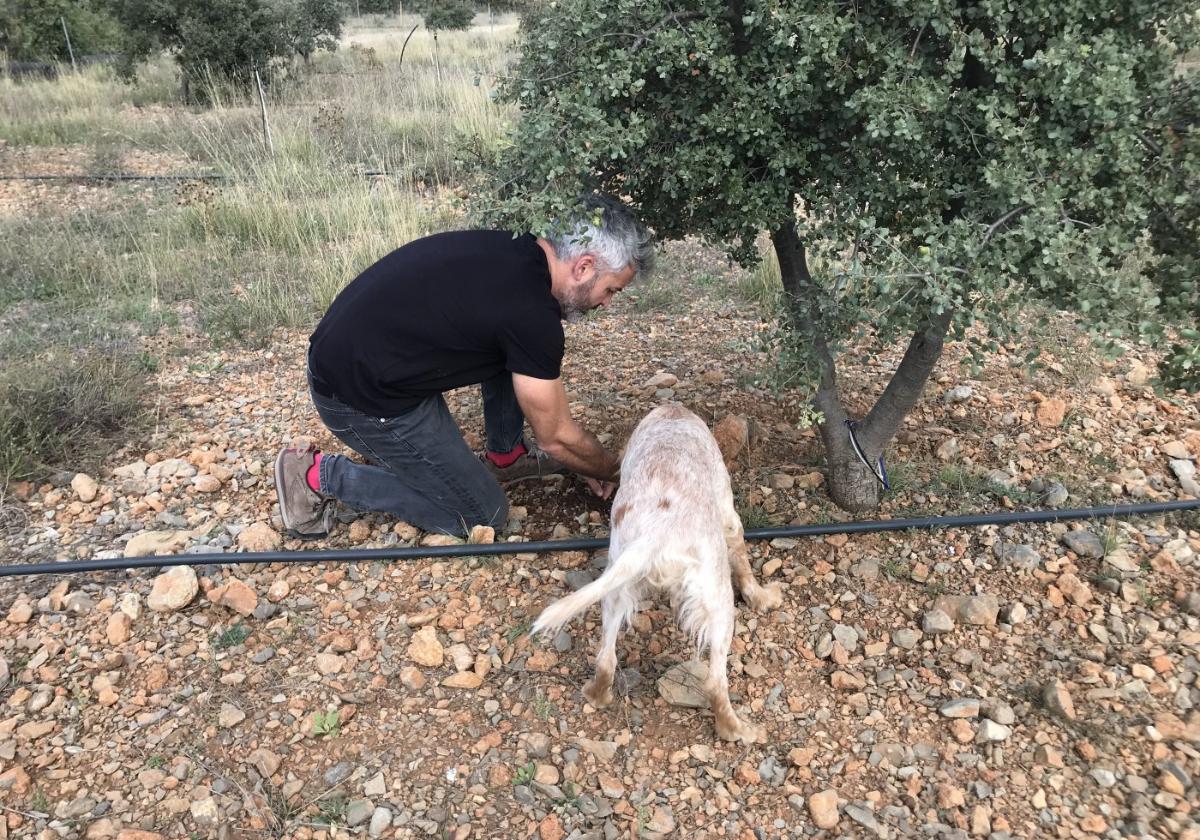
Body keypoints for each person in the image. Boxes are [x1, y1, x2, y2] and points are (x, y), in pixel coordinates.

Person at [273, 196, 655, 539]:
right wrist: (614, 471)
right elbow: (556, 436)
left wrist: (578, 457)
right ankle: (315, 476)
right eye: (611, 290)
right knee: (481, 514)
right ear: (585, 266)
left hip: (358, 359)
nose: (607, 304)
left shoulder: (518, 250)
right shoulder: (531, 315)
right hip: (360, 399)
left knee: (522, 356)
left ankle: (507, 455)